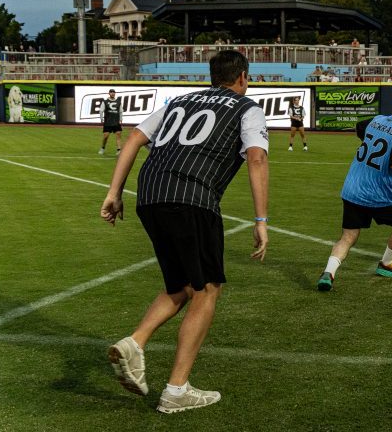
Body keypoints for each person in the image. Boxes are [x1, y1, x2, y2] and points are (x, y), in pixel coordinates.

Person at [101, 50, 270, 413]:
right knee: (207, 289)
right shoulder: (247, 108)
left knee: (180, 286)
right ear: (242, 77)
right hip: (192, 197)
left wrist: (115, 193)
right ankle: (176, 390)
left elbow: (133, 138)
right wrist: (261, 221)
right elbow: (256, 158)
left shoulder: (180, 100)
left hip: (149, 195)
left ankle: (134, 343)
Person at [316, 101, 392, 291]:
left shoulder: (377, 119)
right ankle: (387, 263)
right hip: (376, 192)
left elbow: (359, 127)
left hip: (352, 188)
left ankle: (328, 273)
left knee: (348, 236)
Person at [98, 89, 124, 156]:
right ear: (109, 93)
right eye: (111, 92)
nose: (112, 93)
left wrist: (121, 119)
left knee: (118, 135)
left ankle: (119, 150)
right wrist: (101, 118)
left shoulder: (118, 102)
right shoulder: (105, 102)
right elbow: (101, 110)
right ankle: (102, 148)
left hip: (116, 121)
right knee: (106, 136)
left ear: (115, 93)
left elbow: (121, 111)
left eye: (113, 92)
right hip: (108, 122)